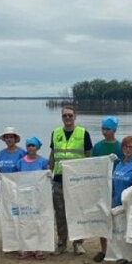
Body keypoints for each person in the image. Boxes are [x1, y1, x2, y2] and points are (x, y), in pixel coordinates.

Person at [49, 103, 92, 255]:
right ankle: (61, 243)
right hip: (59, 179)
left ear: (75, 116)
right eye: (64, 115)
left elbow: (89, 155)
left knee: (77, 212)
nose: (67, 118)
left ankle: (78, 243)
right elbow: (53, 155)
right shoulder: (55, 133)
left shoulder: (83, 133)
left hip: (76, 180)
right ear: (62, 117)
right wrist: (49, 171)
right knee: (60, 212)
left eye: (70, 115)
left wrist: (87, 177)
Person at [91, 116, 123, 262]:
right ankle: (103, 250)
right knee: (102, 219)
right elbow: (92, 165)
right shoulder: (97, 147)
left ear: (114, 130)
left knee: (117, 220)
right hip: (101, 187)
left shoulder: (120, 147)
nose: (105, 131)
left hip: (117, 187)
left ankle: (118, 249)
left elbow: (127, 163)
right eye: (103, 128)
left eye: (108, 129)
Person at [15, 137, 50, 260]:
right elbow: (16, 178)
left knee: (38, 222)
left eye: (33, 145)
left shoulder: (43, 162)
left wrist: (49, 174)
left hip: (38, 196)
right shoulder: (20, 162)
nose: (31, 148)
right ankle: (27, 248)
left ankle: (39, 247)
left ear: (38, 147)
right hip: (25, 197)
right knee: (25, 222)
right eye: (29, 145)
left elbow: (47, 177)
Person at [109, 135, 132, 264]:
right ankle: (123, 256)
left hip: (130, 204)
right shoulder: (119, 163)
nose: (128, 149)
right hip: (117, 201)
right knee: (119, 232)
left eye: (131, 147)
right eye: (126, 147)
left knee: (130, 232)